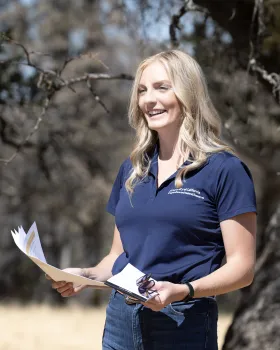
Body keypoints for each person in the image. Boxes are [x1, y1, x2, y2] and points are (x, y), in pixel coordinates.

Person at [47, 50, 257, 350]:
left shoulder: (225, 170)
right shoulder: (132, 169)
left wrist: (182, 290)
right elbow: (118, 258)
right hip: (120, 322)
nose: (147, 99)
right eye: (142, 90)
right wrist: (85, 274)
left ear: (189, 94)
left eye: (162, 87)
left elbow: (243, 268)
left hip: (182, 323)